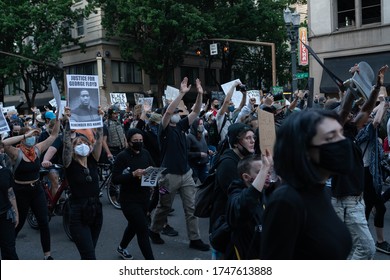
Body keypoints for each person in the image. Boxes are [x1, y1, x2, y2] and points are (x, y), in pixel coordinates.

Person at [260, 109, 352, 259]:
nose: (342, 141)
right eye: (330, 137)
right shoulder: (286, 201)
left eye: (341, 133)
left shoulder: (321, 190)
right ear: (304, 150)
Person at [330, 65, 388, 259]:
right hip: (344, 201)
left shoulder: (350, 130)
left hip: (356, 199)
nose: (351, 114)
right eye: (347, 113)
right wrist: (353, 87)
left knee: (345, 248)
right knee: (366, 248)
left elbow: (365, 110)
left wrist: (375, 89)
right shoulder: (333, 133)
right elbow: (344, 108)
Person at [149, 77, 210, 251]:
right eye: (175, 111)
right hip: (168, 177)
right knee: (164, 206)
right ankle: (154, 230)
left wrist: (199, 94)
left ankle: (195, 238)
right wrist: (181, 94)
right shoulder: (165, 128)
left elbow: (196, 111)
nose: (177, 114)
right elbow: (168, 113)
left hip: (186, 174)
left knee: (192, 207)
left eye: (178, 112)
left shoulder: (181, 127)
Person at [2, 116, 60, 260]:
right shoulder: (16, 153)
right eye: (30, 136)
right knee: (18, 223)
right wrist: (25, 134)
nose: (32, 138)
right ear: (23, 138)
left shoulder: (37, 149)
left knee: (44, 221)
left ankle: (47, 256)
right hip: (20, 192)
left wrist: (58, 119)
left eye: (34, 135)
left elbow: (53, 135)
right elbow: (3, 143)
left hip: (36, 190)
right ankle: (8, 250)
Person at [210, 122, 256, 259]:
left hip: (239, 224)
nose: (253, 141)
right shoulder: (228, 163)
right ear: (236, 143)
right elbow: (236, 197)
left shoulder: (245, 158)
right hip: (225, 225)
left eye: (253, 137)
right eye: (248, 138)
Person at [62, 107, 103, 259]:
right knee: (89, 255)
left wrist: (99, 121)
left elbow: (99, 139)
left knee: (90, 250)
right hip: (78, 211)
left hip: (96, 210)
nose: (81, 145)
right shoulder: (70, 165)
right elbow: (66, 144)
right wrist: (67, 123)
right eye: (77, 143)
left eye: (84, 142)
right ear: (73, 149)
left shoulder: (93, 160)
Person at [112, 128, 155, 260]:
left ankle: (122, 247)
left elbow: (153, 168)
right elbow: (116, 179)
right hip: (129, 200)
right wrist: (132, 174)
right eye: (135, 140)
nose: (138, 143)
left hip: (144, 198)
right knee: (142, 229)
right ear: (129, 141)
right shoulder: (122, 156)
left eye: (140, 140)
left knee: (134, 225)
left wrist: (153, 179)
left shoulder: (145, 153)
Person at [225, 152, 272, 260]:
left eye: (268, 171)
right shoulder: (236, 196)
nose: (267, 174)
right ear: (246, 177)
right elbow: (243, 206)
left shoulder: (264, 192)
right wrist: (264, 168)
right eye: (260, 172)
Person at [0, 153, 19, 260]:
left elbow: (10, 193)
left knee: (9, 250)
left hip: (6, 215)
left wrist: (16, 213)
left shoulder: (5, 172)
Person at [186, 117, 211, 184]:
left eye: (202, 124)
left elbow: (203, 147)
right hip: (194, 165)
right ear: (195, 125)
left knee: (206, 183)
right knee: (192, 184)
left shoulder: (201, 136)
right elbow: (186, 153)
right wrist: (199, 154)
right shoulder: (189, 137)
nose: (202, 126)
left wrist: (208, 151)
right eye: (200, 124)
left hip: (203, 164)